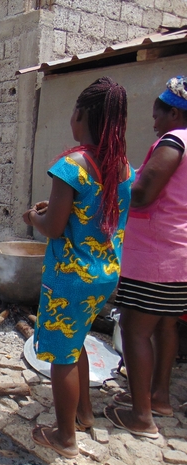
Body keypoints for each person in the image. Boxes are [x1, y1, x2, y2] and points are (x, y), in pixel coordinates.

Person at [23, 77, 132, 458]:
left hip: (70, 278)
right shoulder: (122, 168)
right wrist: (52, 211)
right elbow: (91, 213)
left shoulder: (70, 165)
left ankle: (65, 438)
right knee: (78, 340)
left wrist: (33, 218)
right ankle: (84, 413)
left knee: (61, 355)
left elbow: (53, 227)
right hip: (104, 275)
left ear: (81, 115)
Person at [106, 76, 187, 439]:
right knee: (166, 326)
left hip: (154, 255)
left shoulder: (173, 142)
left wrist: (116, 189)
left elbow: (142, 195)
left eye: (157, 114)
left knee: (136, 330)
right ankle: (158, 397)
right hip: (178, 257)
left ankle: (141, 417)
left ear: (174, 111)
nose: (153, 122)